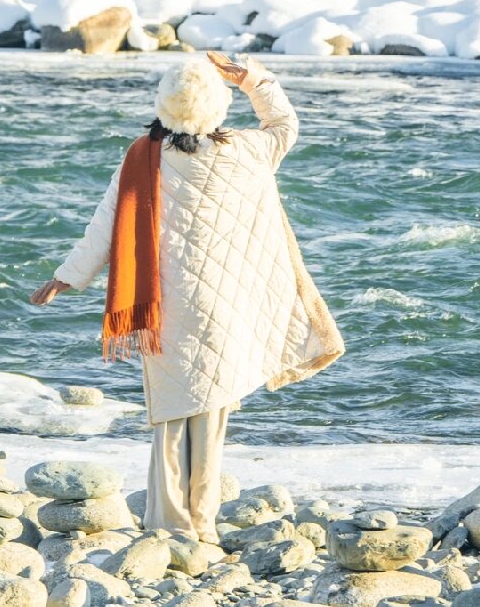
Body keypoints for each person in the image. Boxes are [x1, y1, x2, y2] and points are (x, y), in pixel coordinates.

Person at [29, 51, 343, 545]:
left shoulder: (144, 157)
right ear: (217, 106)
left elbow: (107, 226)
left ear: (164, 105)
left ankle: (170, 523)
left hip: (166, 307)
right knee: (212, 413)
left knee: (173, 413)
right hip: (229, 306)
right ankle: (203, 524)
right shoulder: (249, 151)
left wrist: (66, 277)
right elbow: (285, 123)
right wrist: (252, 80)